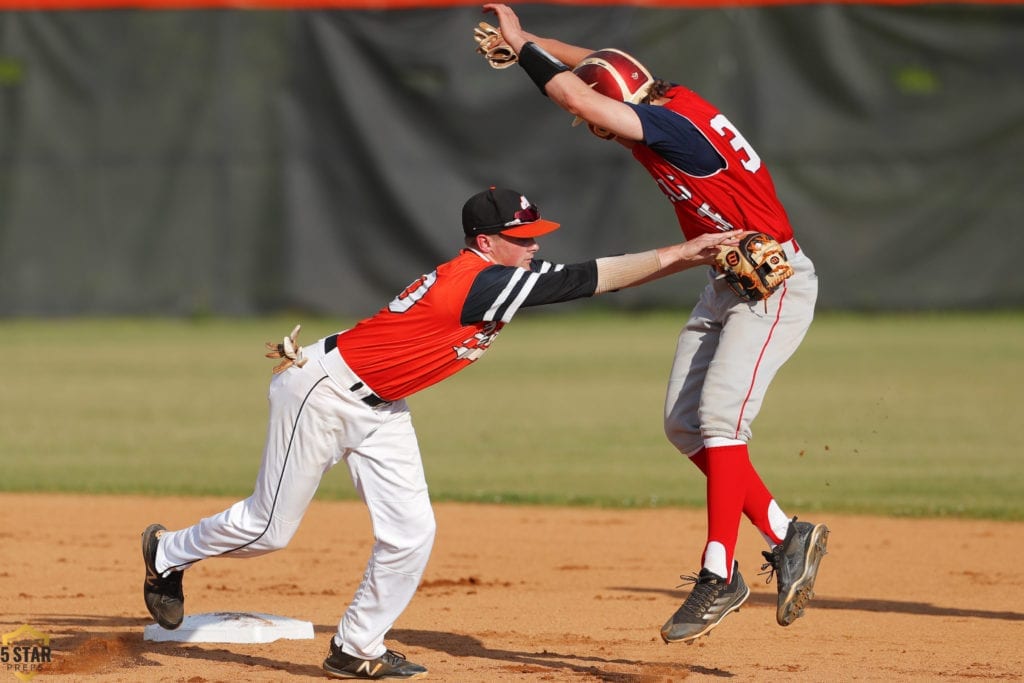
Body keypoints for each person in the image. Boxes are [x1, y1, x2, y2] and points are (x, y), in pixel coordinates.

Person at [141, 186, 742, 680]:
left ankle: (355, 648)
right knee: (269, 530)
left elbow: (595, 274)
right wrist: (690, 250)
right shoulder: (480, 281)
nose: (533, 248)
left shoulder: (499, 272)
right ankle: (167, 552)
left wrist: (695, 255)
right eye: (521, 239)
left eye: (534, 238)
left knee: (411, 533)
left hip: (382, 408)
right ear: (487, 242)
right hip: (321, 394)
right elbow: (594, 278)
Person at [479, 4, 830, 645]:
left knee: (721, 420)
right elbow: (599, 69)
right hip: (729, 280)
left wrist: (527, 58)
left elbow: (587, 100)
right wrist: (527, 37)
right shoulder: (671, 100)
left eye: (593, 115)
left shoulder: (670, 129)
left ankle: (718, 573)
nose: (588, 123)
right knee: (683, 424)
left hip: (773, 285)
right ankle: (785, 534)